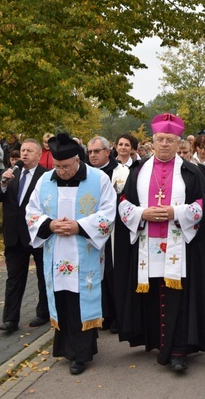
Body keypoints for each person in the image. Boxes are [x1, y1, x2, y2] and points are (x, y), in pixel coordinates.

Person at [114, 114, 205, 373]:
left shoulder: (191, 171)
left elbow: (204, 203)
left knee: (177, 298)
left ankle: (178, 350)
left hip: (179, 247)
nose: (164, 144)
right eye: (160, 139)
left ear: (178, 142)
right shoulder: (138, 171)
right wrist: (141, 214)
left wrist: (177, 212)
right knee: (151, 295)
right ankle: (155, 342)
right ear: (152, 141)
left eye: (170, 140)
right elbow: (124, 202)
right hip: (146, 245)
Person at [26, 133, 116, 375]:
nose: (61, 171)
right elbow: (31, 211)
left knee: (80, 302)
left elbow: (109, 211)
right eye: (57, 166)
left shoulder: (98, 179)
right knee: (62, 298)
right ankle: (65, 348)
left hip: (84, 250)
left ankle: (82, 354)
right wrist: (50, 225)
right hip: (55, 250)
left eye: (66, 166)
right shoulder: (45, 180)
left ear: (77, 160)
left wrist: (79, 226)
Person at [0, 139, 49, 333]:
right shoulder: (11, 174)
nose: (24, 154)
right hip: (14, 235)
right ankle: (10, 320)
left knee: (43, 276)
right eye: (22, 150)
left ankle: (43, 312)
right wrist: (3, 183)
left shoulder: (46, 176)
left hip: (37, 234)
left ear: (39, 155)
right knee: (14, 278)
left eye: (29, 151)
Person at [86, 135, 120, 333]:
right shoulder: (86, 173)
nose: (92, 155)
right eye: (89, 152)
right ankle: (102, 314)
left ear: (107, 152)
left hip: (114, 231)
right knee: (95, 273)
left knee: (111, 273)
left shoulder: (119, 172)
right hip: (91, 229)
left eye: (96, 151)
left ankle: (115, 316)